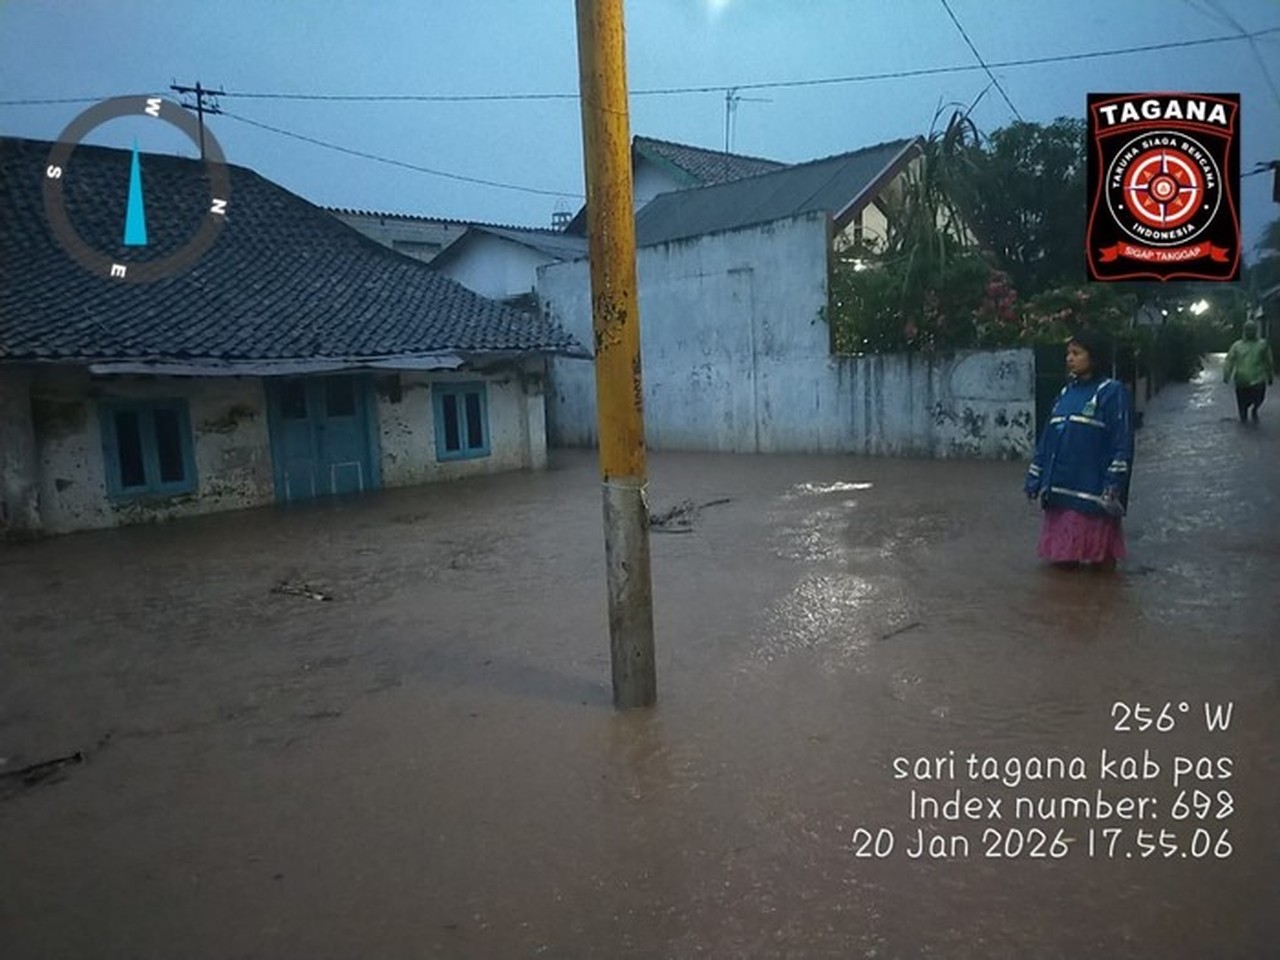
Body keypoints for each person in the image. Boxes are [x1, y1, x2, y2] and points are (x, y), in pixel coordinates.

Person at [1024, 329, 1134, 570]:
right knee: (1060, 571)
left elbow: (1121, 442)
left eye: (1076, 353)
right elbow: (1048, 439)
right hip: (1060, 494)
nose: (1069, 358)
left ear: (1093, 356)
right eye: (1068, 353)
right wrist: (1035, 476)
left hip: (1093, 497)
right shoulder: (1066, 393)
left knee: (1100, 570)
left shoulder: (1111, 392)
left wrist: (1114, 482)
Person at [1223, 319, 1275, 423]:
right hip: (1241, 380)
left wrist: (1270, 376)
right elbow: (1229, 361)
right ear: (1244, 330)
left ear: (1256, 330)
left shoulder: (1262, 344)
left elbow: (1268, 361)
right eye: (1247, 329)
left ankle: (1254, 410)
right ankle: (1244, 422)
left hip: (1258, 379)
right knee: (1242, 406)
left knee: (1259, 399)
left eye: (1252, 329)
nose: (1249, 331)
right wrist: (1226, 374)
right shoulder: (1237, 345)